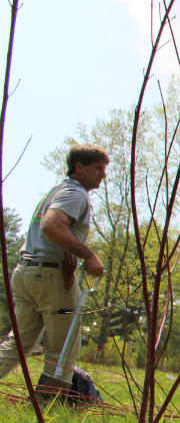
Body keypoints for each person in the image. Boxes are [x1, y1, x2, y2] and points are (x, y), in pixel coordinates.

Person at [0, 145, 107, 393]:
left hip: (26, 273)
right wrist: (88, 255)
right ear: (79, 167)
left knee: (18, 343)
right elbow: (51, 226)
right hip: (50, 276)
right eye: (98, 168)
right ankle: (49, 407)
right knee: (63, 348)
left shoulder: (56, 191)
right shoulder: (75, 194)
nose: (103, 175)